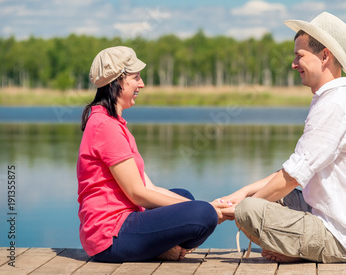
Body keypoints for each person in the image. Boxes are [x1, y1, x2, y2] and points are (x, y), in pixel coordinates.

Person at [220, 12, 346, 263]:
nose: (294, 64)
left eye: (300, 56)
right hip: (331, 219)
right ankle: (293, 250)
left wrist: (241, 208)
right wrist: (244, 191)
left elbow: (292, 177)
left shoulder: (335, 105)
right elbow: (294, 168)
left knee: (249, 210)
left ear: (325, 56)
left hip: (343, 237)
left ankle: (296, 252)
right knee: (260, 199)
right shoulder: (330, 100)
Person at [77, 46, 231, 262]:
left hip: (125, 220)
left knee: (186, 197)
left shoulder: (111, 122)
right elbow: (137, 193)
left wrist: (203, 205)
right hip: (110, 236)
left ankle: (162, 248)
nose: (142, 84)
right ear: (118, 81)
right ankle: (162, 249)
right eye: (136, 77)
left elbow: (148, 186)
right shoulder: (105, 126)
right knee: (202, 215)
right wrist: (209, 209)